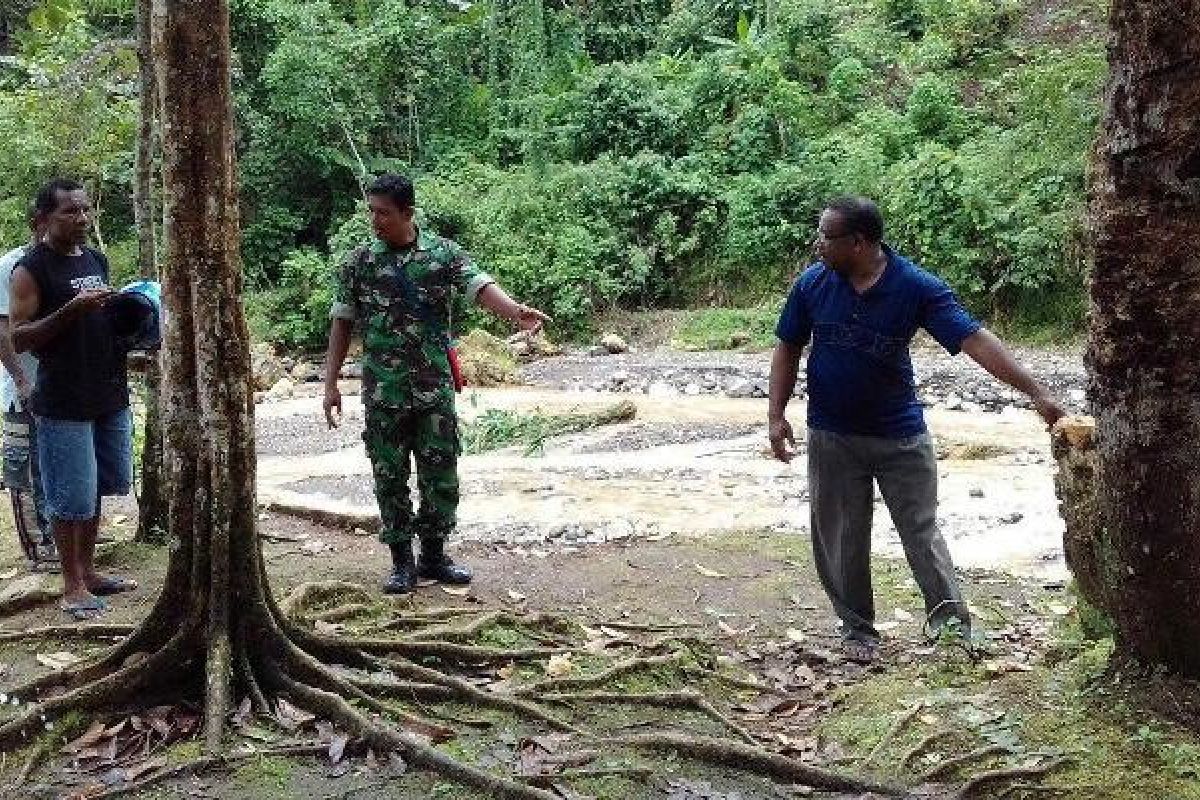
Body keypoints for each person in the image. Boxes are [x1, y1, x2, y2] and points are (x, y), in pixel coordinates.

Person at [768, 197, 1065, 661]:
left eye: (828, 237)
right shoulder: (813, 284)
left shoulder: (915, 287)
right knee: (840, 534)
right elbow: (787, 346)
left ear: (859, 243)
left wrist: (1036, 391)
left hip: (900, 435)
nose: (818, 244)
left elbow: (974, 340)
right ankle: (858, 633)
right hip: (833, 434)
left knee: (921, 531)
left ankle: (952, 630)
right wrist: (775, 414)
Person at [323, 174, 549, 594]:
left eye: (383, 213)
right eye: (371, 212)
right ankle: (400, 562)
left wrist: (515, 312)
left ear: (407, 212)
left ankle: (433, 555)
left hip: (433, 389)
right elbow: (342, 321)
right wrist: (330, 382)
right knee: (389, 474)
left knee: (440, 474)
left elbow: (479, 286)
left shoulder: (442, 254)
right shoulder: (359, 262)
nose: (375, 220)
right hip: (383, 392)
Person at [9, 178, 137, 620]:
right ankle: (71, 585)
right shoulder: (31, 269)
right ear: (45, 219)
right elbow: (19, 337)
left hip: (107, 389)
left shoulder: (96, 259)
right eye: (70, 212)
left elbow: (103, 320)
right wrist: (71, 310)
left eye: (85, 210)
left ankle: (90, 570)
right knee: (71, 494)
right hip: (63, 398)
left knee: (101, 482)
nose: (81, 218)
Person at [0, 210, 55, 570]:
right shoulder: (11, 265)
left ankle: (60, 536)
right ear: (38, 223)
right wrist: (21, 380)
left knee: (55, 463)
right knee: (24, 466)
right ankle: (37, 547)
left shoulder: (67, 263)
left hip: (60, 386)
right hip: (22, 385)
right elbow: (2, 330)